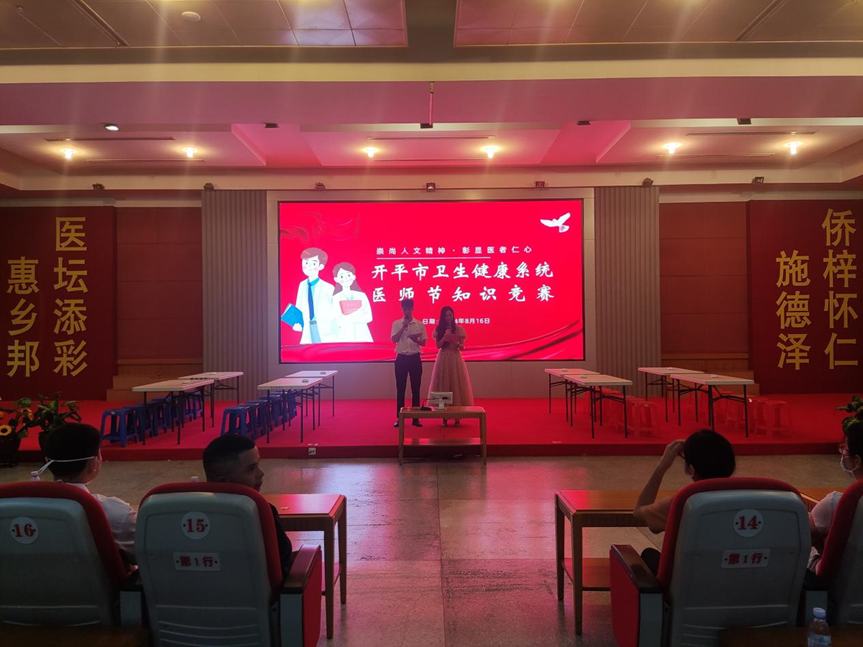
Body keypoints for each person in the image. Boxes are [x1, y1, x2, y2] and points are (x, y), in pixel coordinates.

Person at [633, 429, 736, 574]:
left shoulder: (683, 502)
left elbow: (639, 512)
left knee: (648, 555)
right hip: (734, 577)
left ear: (691, 470)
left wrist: (662, 466)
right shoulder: (744, 498)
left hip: (688, 581)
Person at [38, 423, 137, 569]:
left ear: (47, 461)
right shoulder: (116, 514)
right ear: (93, 463)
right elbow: (145, 555)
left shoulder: (19, 510)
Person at [202, 435, 294, 576]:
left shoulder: (181, 512)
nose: (261, 473)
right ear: (223, 481)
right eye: (251, 469)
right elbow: (282, 565)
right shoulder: (261, 512)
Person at [808, 422, 863, 574]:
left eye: (844, 449)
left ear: (857, 460)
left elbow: (801, 537)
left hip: (837, 584)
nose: (842, 453)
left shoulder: (836, 504)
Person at [428, 305, 474, 426]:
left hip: (455, 358)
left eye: (450, 315)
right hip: (443, 358)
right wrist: (444, 337)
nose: (448, 317)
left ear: (453, 316)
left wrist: (455, 342)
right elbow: (438, 346)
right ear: (442, 317)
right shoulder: (439, 329)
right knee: (443, 385)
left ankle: (457, 417)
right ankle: (444, 417)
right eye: (446, 316)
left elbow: (462, 347)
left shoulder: (458, 329)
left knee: (456, 385)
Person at [391, 298, 428, 428]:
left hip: (415, 358)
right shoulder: (397, 323)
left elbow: (424, 342)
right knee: (400, 389)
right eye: (404, 309)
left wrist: (416, 340)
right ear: (402, 309)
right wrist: (403, 327)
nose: (406, 311)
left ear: (412, 309)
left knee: (415, 389)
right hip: (401, 359)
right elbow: (394, 339)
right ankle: (399, 418)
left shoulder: (419, 324)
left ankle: (415, 418)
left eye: (408, 309)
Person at [292, 247, 336, 344]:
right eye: (306, 262)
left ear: (321, 266)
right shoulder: (302, 285)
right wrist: (296, 322)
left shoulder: (328, 287)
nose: (309, 266)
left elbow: (335, 310)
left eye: (314, 263)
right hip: (307, 326)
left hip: (324, 328)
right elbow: (298, 306)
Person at [331, 261, 373, 342]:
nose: (346, 278)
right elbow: (338, 320)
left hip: (362, 334)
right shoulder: (336, 298)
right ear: (336, 279)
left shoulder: (361, 295)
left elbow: (369, 317)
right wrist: (358, 314)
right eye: (342, 276)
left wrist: (347, 317)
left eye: (348, 275)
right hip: (345, 335)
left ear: (353, 277)